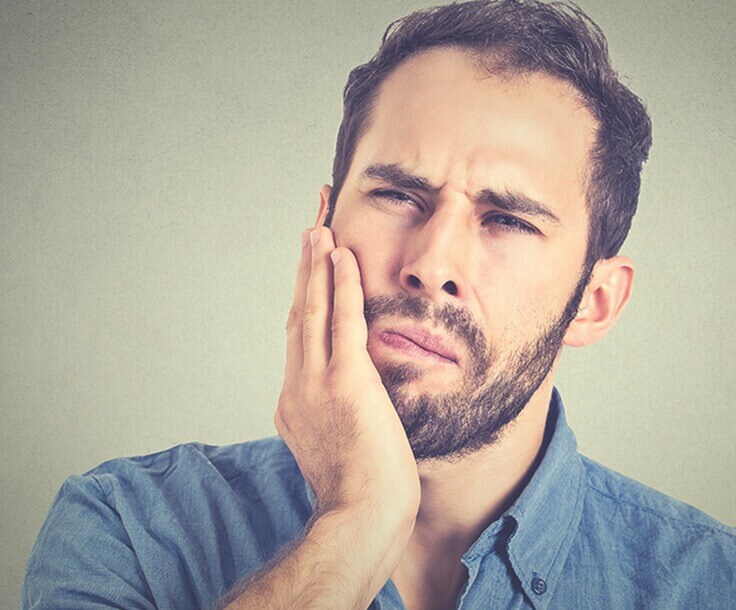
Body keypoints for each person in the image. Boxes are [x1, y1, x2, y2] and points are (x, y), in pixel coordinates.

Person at [22, 1, 735, 608]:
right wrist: (357, 522)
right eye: (397, 195)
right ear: (324, 226)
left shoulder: (710, 584)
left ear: (595, 302)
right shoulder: (127, 528)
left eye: (509, 220)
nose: (430, 265)